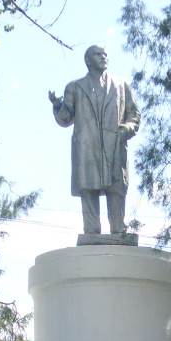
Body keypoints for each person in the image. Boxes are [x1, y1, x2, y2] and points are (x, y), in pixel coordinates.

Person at [49, 45, 141, 235]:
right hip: (87, 146)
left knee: (116, 188)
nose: (103, 57)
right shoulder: (75, 87)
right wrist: (58, 106)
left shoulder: (121, 84)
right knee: (88, 188)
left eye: (105, 54)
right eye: (98, 54)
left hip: (115, 144)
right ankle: (91, 231)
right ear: (88, 60)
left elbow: (134, 115)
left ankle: (118, 228)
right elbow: (65, 119)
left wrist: (126, 129)